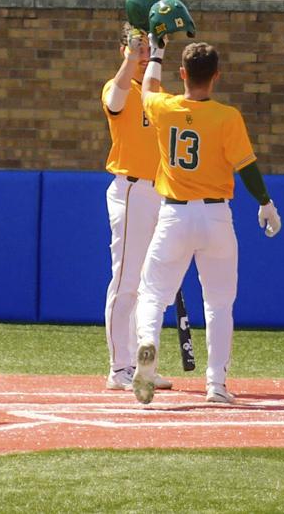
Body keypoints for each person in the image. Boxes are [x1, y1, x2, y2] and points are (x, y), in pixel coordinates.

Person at [132, 28, 281, 406]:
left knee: (152, 294)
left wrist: (157, 51)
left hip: (175, 215)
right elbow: (247, 167)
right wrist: (265, 202)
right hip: (216, 217)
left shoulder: (164, 108)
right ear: (216, 75)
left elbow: (148, 87)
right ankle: (216, 384)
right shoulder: (227, 116)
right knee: (218, 304)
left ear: (183, 74)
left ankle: (147, 342)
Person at [100, 23, 174, 393]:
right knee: (126, 280)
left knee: (152, 286)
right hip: (130, 189)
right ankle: (119, 367)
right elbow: (114, 101)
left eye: (148, 47)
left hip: (160, 191)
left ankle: (143, 365)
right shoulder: (120, 87)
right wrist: (132, 56)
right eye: (137, 46)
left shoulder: (160, 94)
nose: (144, 53)